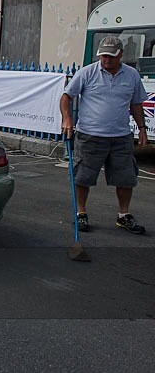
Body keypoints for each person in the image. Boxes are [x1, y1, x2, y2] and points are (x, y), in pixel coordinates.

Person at [60, 35, 148, 234]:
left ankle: (123, 215)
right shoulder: (87, 73)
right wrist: (67, 119)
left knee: (126, 178)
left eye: (111, 56)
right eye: (103, 56)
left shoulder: (132, 75)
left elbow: (136, 104)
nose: (106, 60)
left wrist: (142, 128)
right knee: (83, 177)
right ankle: (81, 213)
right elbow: (66, 96)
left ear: (121, 55)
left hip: (121, 137)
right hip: (89, 135)